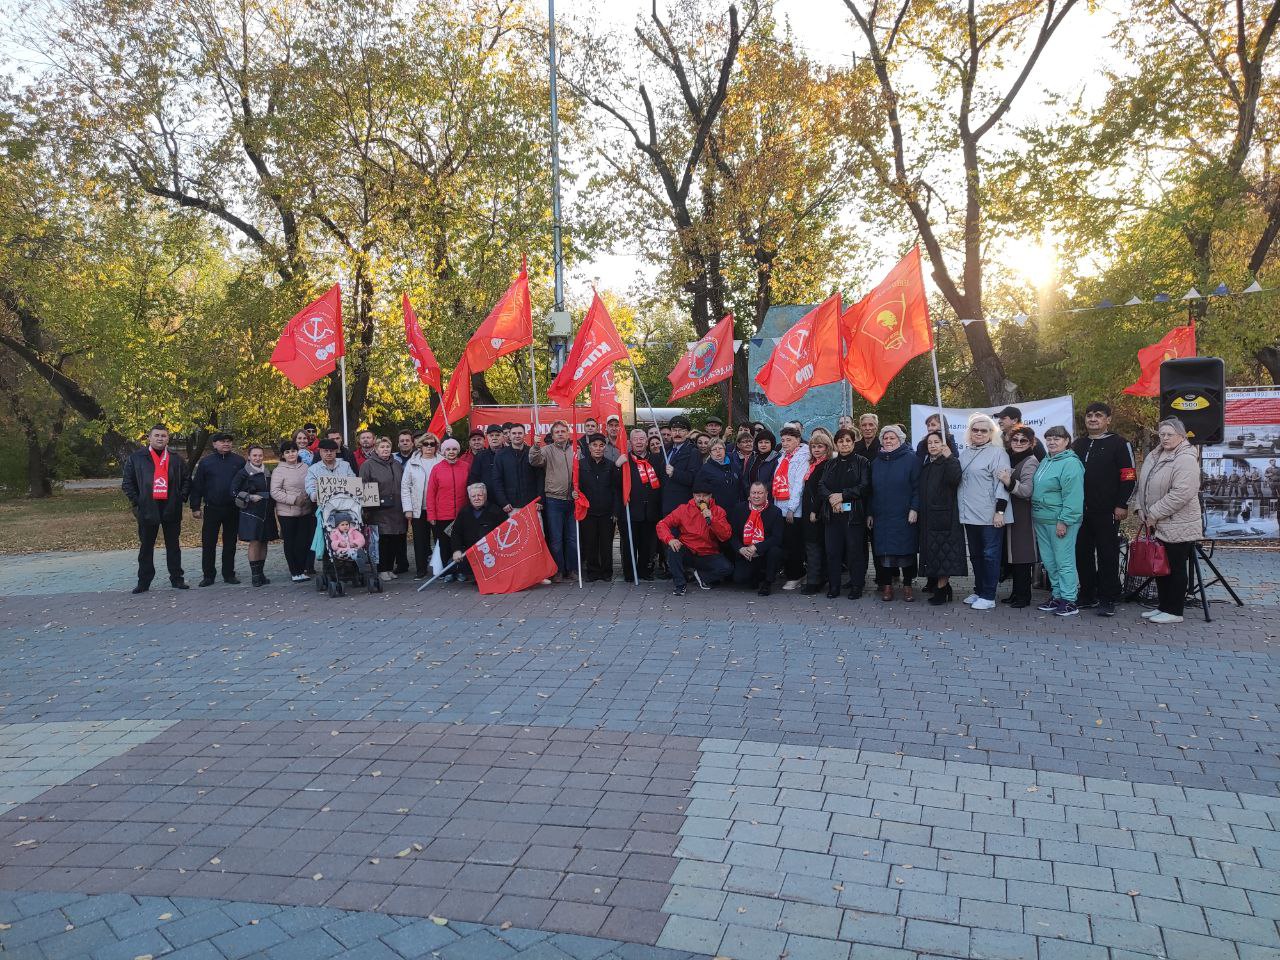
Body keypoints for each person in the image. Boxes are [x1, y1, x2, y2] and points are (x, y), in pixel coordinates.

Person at [1133, 417, 1203, 624]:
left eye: (1169, 434)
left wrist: (1154, 513)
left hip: (1178, 523)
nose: (1164, 438)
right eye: (1162, 434)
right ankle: (1163, 606)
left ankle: (1174, 611)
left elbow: (1182, 493)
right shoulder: (1155, 455)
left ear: (1182, 436)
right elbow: (1142, 485)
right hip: (1156, 522)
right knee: (1161, 566)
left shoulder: (1186, 458)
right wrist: (1140, 509)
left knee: (1175, 567)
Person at [1071, 402, 1136, 617]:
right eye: (1089, 415)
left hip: (1108, 511)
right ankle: (1087, 594)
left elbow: (1128, 476)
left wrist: (1122, 504)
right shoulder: (1077, 444)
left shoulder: (1119, 443)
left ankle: (1108, 598)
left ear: (1108, 419)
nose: (1093, 419)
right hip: (1080, 512)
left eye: (1098, 415)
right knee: (1082, 554)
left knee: (1107, 554)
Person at [122, 424, 191, 593]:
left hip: (171, 507)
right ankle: (144, 581)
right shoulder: (137, 458)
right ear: (149, 438)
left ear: (168, 438)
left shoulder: (176, 458)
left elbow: (187, 480)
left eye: (164, 436)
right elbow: (127, 483)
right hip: (147, 508)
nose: (160, 438)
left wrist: (180, 497)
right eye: (157, 435)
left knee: (173, 546)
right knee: (146, 547)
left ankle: (177, 579)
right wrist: (139, 501)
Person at [958, 413, 1011, 610]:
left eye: (983, 430)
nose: (979, 433)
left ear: (991, 433)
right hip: (969, 515)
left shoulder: (998, 453)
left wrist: (1000, 512)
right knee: (976, 555)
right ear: (970, 432)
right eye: (975, 429)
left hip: (990, 515)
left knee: (990, 555)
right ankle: (979, 590)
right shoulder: (965, 453)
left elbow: (1002, 485)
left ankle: (989, 595)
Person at [1031, 425, 1086, 617]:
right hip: (1041, 519)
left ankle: (1070, 600)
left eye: (1057, 438)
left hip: (1060, 521)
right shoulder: (1047, 460)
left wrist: (1065, 521)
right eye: (1049, 438)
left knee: (1064, 561)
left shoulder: (1070, 463)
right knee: (1050, 561)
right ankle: (1057, 595)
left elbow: (1073, 496)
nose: (1052, 442)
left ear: (1066, 441)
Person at [869, 425, 921, 601]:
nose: (888, 441)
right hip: (882, 516)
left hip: (904, 514)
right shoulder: (876, 462)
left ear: (900, 440)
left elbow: (917, 488)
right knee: (884, 553)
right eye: (885, 438)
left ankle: (907, 586)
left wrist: (915, 508)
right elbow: (871, 491)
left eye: (892, 438)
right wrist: (870, 513)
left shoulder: (912, 459)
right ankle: (887, 586)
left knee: (906, 552)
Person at [656, 479, 733, 596]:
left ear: (710, 496)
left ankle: (700, 576)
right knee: (673, 549)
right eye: (698, 495)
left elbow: (726, 535)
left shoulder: (718, 511)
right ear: (693, 496)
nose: (701, 499)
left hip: (708, 553)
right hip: (688, 550)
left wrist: (712, 520)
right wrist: (670, 539)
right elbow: (662, 524)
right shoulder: (683, 509)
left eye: (705, 496)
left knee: (727, 568)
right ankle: (680, 585)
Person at [189, 432, 246, 587]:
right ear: (214, 444)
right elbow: (198, 485)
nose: (226, 444)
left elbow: (245, 484)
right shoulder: (206, 462)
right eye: (222, 441)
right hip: (212, 508)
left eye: (228, 441)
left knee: (230, 543)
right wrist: (195, 506)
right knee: (209, 543)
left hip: (233, 508)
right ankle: (208, 575)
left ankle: (229, 574)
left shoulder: (239, 461)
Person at [822, 427, 872, 599]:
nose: (844, 444)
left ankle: (857, 585)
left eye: (848, 441)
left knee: (854, 551)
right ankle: (834, 586)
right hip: (832, 515)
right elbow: (821, 486)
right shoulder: (830, 463)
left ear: (853, 443)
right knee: (833, 551)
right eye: (841, 441)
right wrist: (831, 498)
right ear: (836, 444)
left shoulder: (863, 462)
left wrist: (842, 496)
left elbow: (864, 487)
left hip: (853, 516)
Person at [917, 431, 965, 605]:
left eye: (936, 442)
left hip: (945, 518)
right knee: (935, 555)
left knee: (944, 556)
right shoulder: (927, 465)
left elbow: (955, 479)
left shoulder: (948, 461)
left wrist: (950, 457)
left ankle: (941, 590)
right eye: (930, 443)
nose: (933, 445)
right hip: (929, 519)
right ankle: (944, 587)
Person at [530, 420, 577, 583]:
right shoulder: (546, 450)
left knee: (572, 538)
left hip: (573, 500)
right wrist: (535, 446)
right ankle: (557, 570)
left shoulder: (576, 450)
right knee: (556, 539)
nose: (560, 434)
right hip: (554, 500)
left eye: (563, 431)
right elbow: (534, 461)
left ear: (568, 433)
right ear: (552, 435)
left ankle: (571, 569)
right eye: (557, 432)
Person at [998, 425, 1039, 608]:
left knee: (1022, 555)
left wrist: (1009, 482)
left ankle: (1024, 596)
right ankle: (1016, 593)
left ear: (1031, 443)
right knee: (1013, 555)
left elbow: (1027, 490)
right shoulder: (1010, 458)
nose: (1019, 443)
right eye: (1015, 440)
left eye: (1023, 440)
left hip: (1023, 513)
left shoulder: (1030, 461)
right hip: (1012, 512)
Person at [617, 428, 664, 581]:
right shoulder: (625, 460)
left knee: (648, 544)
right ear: (630, 442)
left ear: (646, 441)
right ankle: (630, 573)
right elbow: (614, 484)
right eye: (635, 439)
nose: (639, 441)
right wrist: (617, 467)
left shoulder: (656, 459)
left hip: (651, 509)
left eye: (642, 438)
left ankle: (645, 571)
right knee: (629, 543)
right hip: (631, 509)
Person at [231, 443, 278, 586]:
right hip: (251, 512)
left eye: (260, 455)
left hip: (267, 510)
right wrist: (249, 497)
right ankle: (255, 575)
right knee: (255, 541)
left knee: (264, 541)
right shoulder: (243, 472)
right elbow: (233, 491)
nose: (258, 458)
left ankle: (261, 573)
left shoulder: (268, 471)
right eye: (255, 455)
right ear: (249, 457)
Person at [425, 437, 472, 583]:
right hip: (443, 515)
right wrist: (431, 514)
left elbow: (470, 489)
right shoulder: (437, 469)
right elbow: (431, 494)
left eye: (454, 449)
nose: (451, 452)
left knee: (461, 544)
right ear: (443, 452)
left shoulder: (465, 466)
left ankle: (460, 571)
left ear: (458, 451)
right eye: (448, 449)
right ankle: (448, 571)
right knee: (446, 545)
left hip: (462, 514)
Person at [360, 436, 406, 580]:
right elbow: (363, 486)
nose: (385, 450)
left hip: (397, 508)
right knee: (382, 541)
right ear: (376, 449)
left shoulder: (397, 464)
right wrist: (366, 509)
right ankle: (381, 569)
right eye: (382, 447)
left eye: (387, 447)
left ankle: (389, 568)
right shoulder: (368, 465)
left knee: (395, 539)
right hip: (378, 509)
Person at [727, 482, 783, 595]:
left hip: (764, 551)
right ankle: (757, 575)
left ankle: (768, 582)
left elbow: (777, 538)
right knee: (740, 579)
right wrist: (740, 549)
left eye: (760, 493)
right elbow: (731, 534)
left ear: (766, 494)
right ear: (749, 494)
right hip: (745, 552)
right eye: (753, 493)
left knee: (775, 550)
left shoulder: (775, 511)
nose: (756, 496)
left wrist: (756, 547)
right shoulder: (739, 509)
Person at [773, 425, 810, 589]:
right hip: (780, 505)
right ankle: (790, 572)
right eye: (783, 440)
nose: (785, 443)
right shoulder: (782, 457)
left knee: (794, 544)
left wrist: (792, 508)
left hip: (794, 509)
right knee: (785, 542)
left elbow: (798, 485)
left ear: (798, 440)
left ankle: (797, 574)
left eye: (789, 440)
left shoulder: (803, 457)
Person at [578, 433, 619, 582]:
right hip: (587, 511)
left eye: (601, 445)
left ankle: (607, 572)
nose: (598, 448)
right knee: (590, 543)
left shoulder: (610, 465)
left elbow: (616, 490)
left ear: (605, 448)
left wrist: (615, 511)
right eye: (594, 445)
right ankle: (593, 571)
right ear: (589, 447)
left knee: (606, 544)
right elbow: (577, 487)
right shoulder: (581, 465)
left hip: (607, 511)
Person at [271, 440, 313, 582]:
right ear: (283, 455)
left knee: (303, 541)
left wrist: (308, 496)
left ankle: (302, 569)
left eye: (293, 451)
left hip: (305, 510)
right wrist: (294, 499)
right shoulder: (279, 470)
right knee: (291, 541)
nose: (291, 454)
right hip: (287, 513)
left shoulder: (305, 467)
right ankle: (294, 571)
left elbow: (311, 484)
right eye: (287, 452)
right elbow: (275, 492)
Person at [400, 433, 439, 578]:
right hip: (418, 508)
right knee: (419, 541)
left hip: (437, 509)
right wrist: (408, 509)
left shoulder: (442, 461)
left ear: (436, 447)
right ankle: (421, 570)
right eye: (426, 444)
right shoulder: (412, 462)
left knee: (440, 540)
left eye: (432, 444)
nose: (429, 447)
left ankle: (439, 568)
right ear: (420, 446)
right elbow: (405, 487)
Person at [451, 483, 509, 582]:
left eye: (480, 495)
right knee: (451, 565)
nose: (476, 498)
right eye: (473, 496)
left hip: (492, 555)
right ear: (469, 498)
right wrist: (456, 550)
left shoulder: (496, 512)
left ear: (485, 496)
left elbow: (506, 533)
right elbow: (456, 533)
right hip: (470, 554)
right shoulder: (464, 512)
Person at [800, 428, 834, 595]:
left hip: (817, 512)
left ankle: (814, 581)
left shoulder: (826, 465)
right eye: (814, 446)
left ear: (827, 448)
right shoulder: (813, 464)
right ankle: (819, 578)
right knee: (813, 546)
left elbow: (821, 490)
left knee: (814, 546)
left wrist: (814, 511)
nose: (817, 449)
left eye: (820, 446)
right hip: (808, 510)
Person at [492, 423, 542, 513]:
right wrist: (503, 502)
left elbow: (540, 478)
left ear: (524, 435)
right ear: (509, 436)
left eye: (520, 433)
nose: (517, 436)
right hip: (511, 506)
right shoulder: (500, 455)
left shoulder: (532, 452)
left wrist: (540, 500)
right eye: (514, 433)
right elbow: (497, 481)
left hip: (532, 505)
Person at [661, 416, 700, 514]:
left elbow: (693, 478)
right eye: (674, 430)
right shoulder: (665, 449)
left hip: (682, 506)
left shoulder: (693, 452)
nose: (677, 434)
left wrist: (674, 472)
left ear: (687, 433)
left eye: (681, 431)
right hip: (665, 503)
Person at [695, 438, 741, 510]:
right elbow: (699, 492)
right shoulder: (705, 469)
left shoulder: (734, 465)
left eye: (720, 448)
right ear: (710, 453)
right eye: (714, 449)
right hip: (716, 511)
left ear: (725, 450)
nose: (718, 451)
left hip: (736, 509)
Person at [469, 424, 504, 499]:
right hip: (487, 502)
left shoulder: (509, 453)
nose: (494, 438)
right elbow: (474, 480)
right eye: (491, 435)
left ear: (502, 436)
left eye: (497, 435)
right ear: (487, 437)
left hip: (508, 502)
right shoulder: (480, 456)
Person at [741, 430, 779, 500]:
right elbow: (745, 478)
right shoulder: (753, 457)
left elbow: (774, 481)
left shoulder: (777, 459)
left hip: (768, 498)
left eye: (766, 442)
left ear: (772, 444)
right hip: (751, 497)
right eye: (760, 442)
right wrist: (749, 493)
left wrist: (759, 494)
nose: (763, 445)